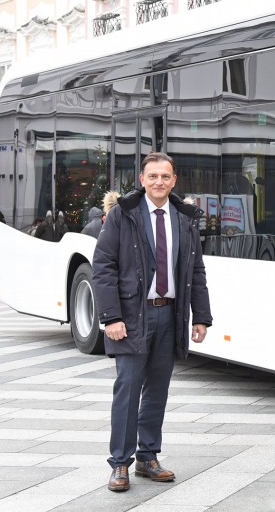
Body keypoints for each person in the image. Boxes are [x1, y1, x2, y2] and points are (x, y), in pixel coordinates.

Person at [92, 152, 212, 492]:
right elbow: (104, 268)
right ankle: (120, 463)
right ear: (142, 180)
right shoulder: (123, 215)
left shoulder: (184, 217)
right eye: (153, 176)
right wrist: (110, 316)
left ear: (174, 181)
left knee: (157, 390)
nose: (159, 181)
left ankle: (148, 457)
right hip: (131, 316)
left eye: (166, 176)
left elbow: (196, 271)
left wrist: (200, 316)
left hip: (170, 313)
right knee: (128, 389)